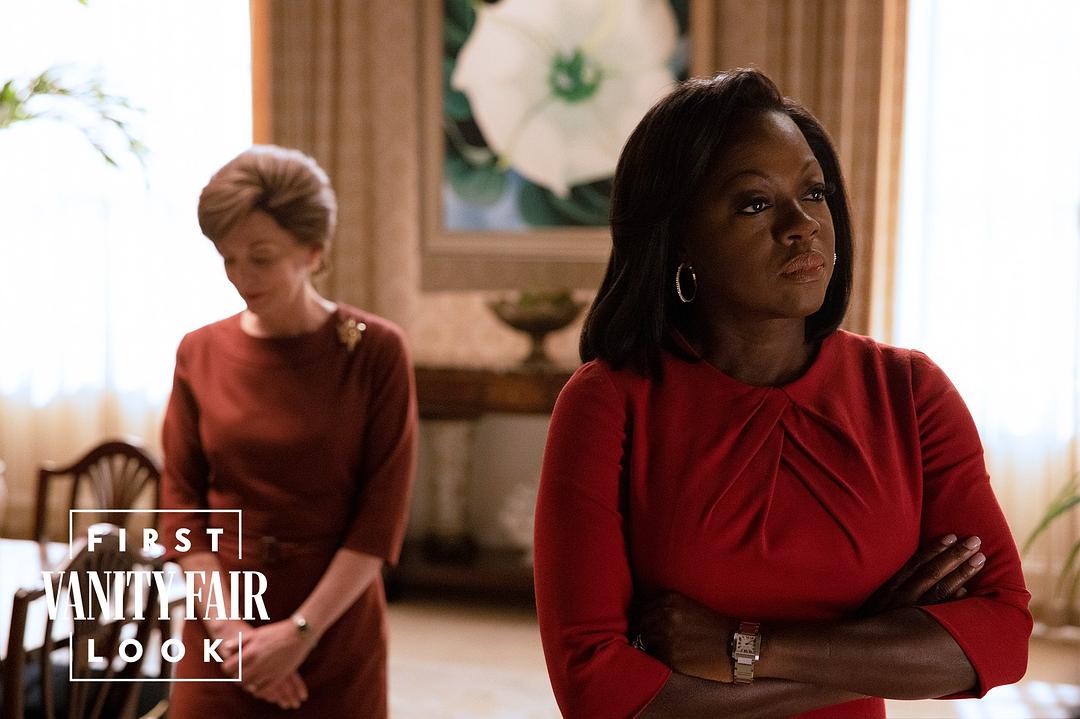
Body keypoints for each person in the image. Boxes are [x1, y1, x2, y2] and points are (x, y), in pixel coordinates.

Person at [533, 69, 1031, 718]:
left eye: (814, 192)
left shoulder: (910, 393)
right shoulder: (607, 404)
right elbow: (597, 692)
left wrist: (747, 649)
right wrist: (875, 638)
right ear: (679, 236)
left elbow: (1002, 634)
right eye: (754, 203)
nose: (803, 225)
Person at [160, 145, 417, 718]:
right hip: (221, 625)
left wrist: (298, 634)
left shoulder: (376, 352)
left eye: (261, 257)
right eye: (228, 258)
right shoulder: (198, 352)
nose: (241, 277)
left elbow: (380, 517)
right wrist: (234, 638)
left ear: (313, 251)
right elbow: (181, 509)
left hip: (334, 625)